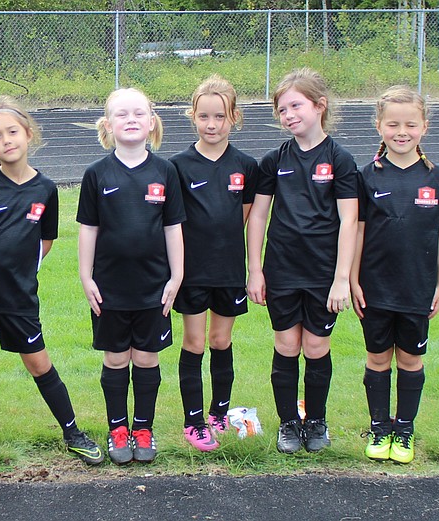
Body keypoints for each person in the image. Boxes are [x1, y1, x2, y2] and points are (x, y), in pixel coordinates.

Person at [0, 96, 104, 473]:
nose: (6, 140)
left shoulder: (46, 189)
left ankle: (72, 433)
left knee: (39, 363)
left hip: (18, 297)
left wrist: (22, 270)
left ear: (28, 134)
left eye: (12, 132)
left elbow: (46, 239)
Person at [246, 68, 358, 454]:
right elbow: (258, 216)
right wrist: (256, 270)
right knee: (286, 345)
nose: (288, 114)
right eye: (281, 109)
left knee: (315, 347)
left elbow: (349, 221)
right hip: (282, 270)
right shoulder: (274, 160)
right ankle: (289, 424)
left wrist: (341, 278)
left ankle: (316, 421)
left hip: (323, 272)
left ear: (319, 106)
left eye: (296, 105)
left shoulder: (340, 160)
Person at [77, 87, 185, 466]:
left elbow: (173, 228)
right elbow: (88, 229)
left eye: (139, 113)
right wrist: (85, 277)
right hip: (110, 289)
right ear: (108, 125)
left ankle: (143, 428)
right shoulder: (97, 174)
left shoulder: (166, 171)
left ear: (152, 121)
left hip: (154, 287)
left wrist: (176, 277)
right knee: (116, 359)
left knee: (147, 358)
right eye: (122, 114)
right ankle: (118, 428)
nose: (131, 120)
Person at [352, 86, 439, 464]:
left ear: (424, 126)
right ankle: (379, 428)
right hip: (375, 288)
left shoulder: (438, 178)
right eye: (392, 124)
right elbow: (358, 230)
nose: (401, 132)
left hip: (417, 288)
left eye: (410, 124)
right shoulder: (367, 176)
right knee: (378, 359)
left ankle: (405, 430)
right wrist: (352, 279)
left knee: (410, 360)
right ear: (379, 126)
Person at [169, 75, 258, 452]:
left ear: (233, 117)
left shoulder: (246, 165)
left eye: (219, 117)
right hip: (192, 273)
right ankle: (193, 422)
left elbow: (245, 216)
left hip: (229, 271)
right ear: (193, 116)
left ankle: (218, 413)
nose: (211, 124)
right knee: (194, 342)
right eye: (204, 116)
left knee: (221, 340)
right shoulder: (177, 166)